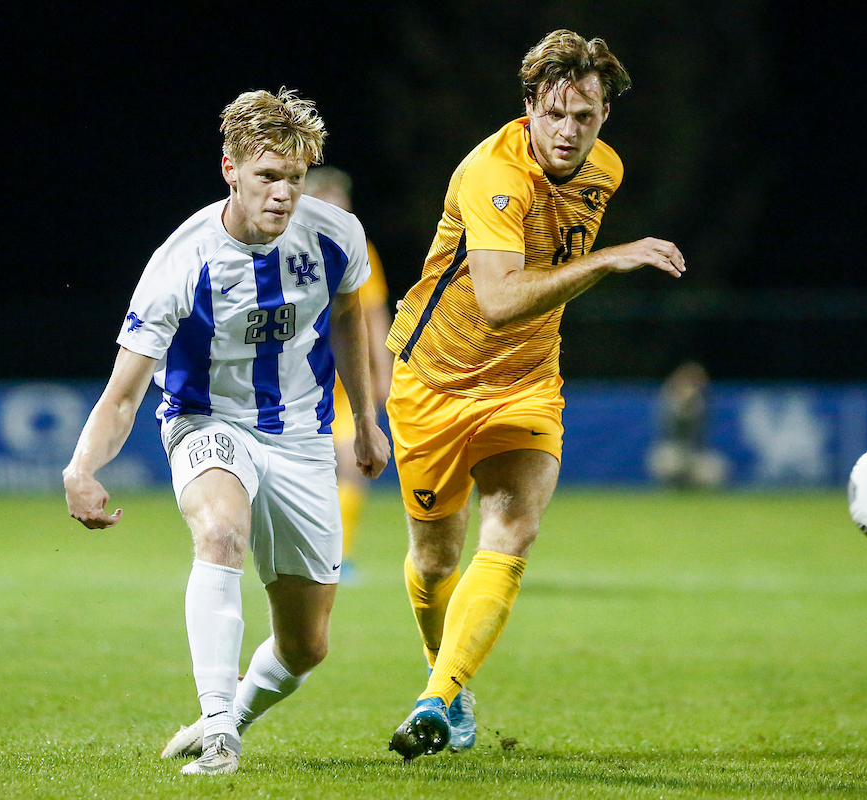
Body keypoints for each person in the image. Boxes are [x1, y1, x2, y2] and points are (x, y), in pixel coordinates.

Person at [62, 89, 391, 776]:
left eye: (294, 178)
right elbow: (124, 393)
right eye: (268, 176)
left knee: (306, 648)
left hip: (301, 436)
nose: (283, 194)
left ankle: (228, 717)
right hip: (206, 421)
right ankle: (219, 731)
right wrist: (82, 466)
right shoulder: (180, 263)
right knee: (220, 533)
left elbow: (347, 323)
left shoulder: (337, 237)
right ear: (230, 170)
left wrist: (365, 419)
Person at [383, 29, 686, 759]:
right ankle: (443, 674)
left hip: (524, 381)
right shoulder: (495, 172)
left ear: (605, 115)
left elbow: (549, 275)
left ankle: (436, 702)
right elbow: (494, 299)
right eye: (554, 113)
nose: (568, 130)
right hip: (434, 380)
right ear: (529, 106)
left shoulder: (603, 170)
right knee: (433, 558)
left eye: (584, 116)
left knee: (514, 530)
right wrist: (615, 260)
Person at [303, 167, 394, 582]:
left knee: (350, 463)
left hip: (342, 383)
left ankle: (336, 554)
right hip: (295, 380)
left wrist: (384, 371)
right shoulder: (286, 247)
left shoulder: (360, 249)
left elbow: (372, 315)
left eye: (344, 206)